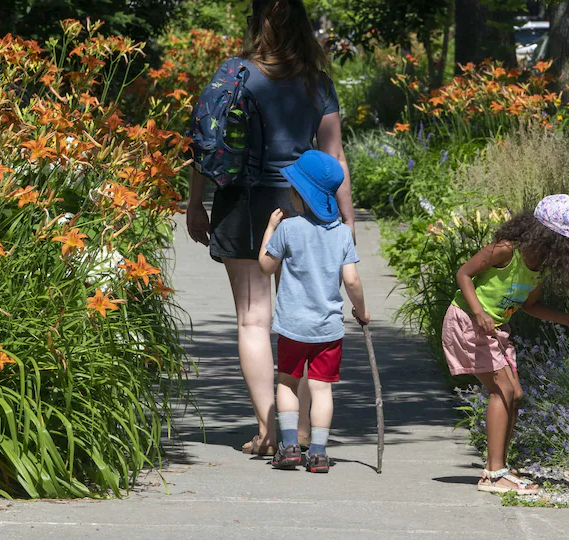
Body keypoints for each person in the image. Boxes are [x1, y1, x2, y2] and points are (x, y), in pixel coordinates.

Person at [185, 0, 354, 456]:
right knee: (299, 322)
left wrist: (195, 203)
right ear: (303, 28)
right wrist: (346, 222)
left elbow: (206, 138)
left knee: (253, 319)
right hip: (304, 203)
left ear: (255, 24)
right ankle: (298, 434)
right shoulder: (317, 84)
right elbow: (334, 156)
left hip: (242, 201)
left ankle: (266, 429)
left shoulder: (235, 74)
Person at [444, 194, 569, 494]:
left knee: (516, 395)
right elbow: (463, 273)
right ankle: (494, 473)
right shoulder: (505, 251)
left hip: (495, 329)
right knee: (502, 390)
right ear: (550, 237)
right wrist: (478, 312)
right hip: (467, 320)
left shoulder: (538, 267)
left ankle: (499, 466)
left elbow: (531, 305)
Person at [257, 150, 369, 473]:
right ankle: (318, 453)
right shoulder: (342, 235)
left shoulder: (289, 229)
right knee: (321, 388)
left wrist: (269, 227)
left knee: (288, 383)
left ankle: (290, 446)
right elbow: (351, 279)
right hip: (328, 330)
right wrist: (362, 311)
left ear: (300, 193)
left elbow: (265, 266)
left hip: (293, 326)